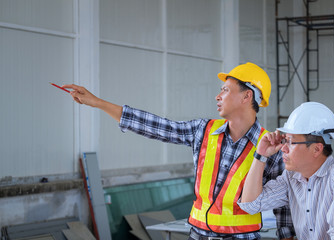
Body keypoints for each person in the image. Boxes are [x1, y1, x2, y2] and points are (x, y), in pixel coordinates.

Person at [63, 62, 295, 240]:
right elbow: (156, 126)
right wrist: (98, 103)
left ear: (247, 96)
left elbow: (284, 202)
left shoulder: (270, 146)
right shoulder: (203, 131)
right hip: (197, 234)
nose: (218, 95)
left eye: (225, 89)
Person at [239, 102, 334, 240]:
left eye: (290, 142)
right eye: (285, 140)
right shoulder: (291, 176)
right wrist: (261, 155)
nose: (283, 148)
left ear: (316, 149)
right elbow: (250, 205)